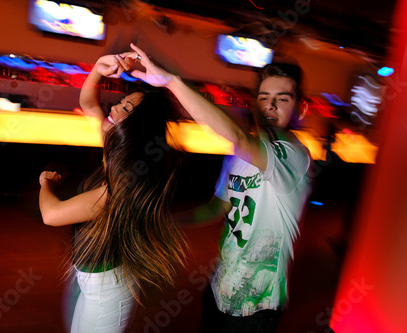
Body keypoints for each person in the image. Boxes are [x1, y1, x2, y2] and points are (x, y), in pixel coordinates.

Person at [128, 43, 312, 332]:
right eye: (263, 97)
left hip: (257, 305)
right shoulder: (239, 155)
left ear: (301, 107)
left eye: (282, 99)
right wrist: (166, 221)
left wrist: (172, 81)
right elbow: (217, 208)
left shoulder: (293, 156)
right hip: (220, 289)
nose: (270, 106)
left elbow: (238, 136)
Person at [39, 53, 187, 333]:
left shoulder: (124, 181)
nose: (116, 108)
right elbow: (88, 103)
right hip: (90, 276)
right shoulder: (114, 145)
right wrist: (97, 69)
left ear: (139, 128)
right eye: (120, 102)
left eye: (127, 109)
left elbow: (51, 214)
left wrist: (46, 183)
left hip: (107, 288)